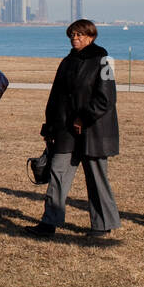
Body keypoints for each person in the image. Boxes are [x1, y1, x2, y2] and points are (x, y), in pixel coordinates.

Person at [27, 19, 121, 239]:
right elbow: (56, 97)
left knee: (96, 178)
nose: (75, 39)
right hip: (65, 130)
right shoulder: (67, 61)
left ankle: (102, 224)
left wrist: (83, 118)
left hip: (93, 131)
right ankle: (49, 222)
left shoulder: (104, 60)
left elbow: (107, 98)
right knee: (57, 174)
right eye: (72, 35)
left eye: (79, 35)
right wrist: (48, 129)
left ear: (91, 36)